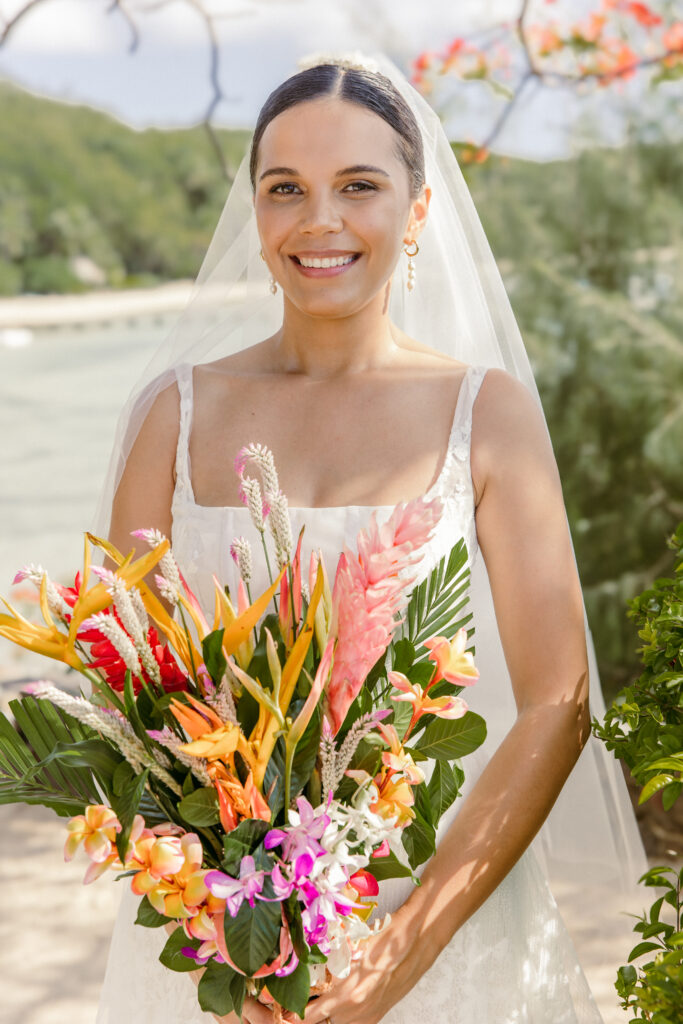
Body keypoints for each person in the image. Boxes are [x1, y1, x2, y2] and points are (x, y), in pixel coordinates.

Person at [95, 54, 646, 1024]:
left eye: (358, 186)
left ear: (419, 209)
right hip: (217, 953)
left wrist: (396, 952)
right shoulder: (171, 417)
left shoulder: (485, 413)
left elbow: (553, 702)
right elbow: (131, 695)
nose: (319, 220)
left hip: (445, 933)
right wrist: (225, 940)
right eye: (285, 189)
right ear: (254, 213)